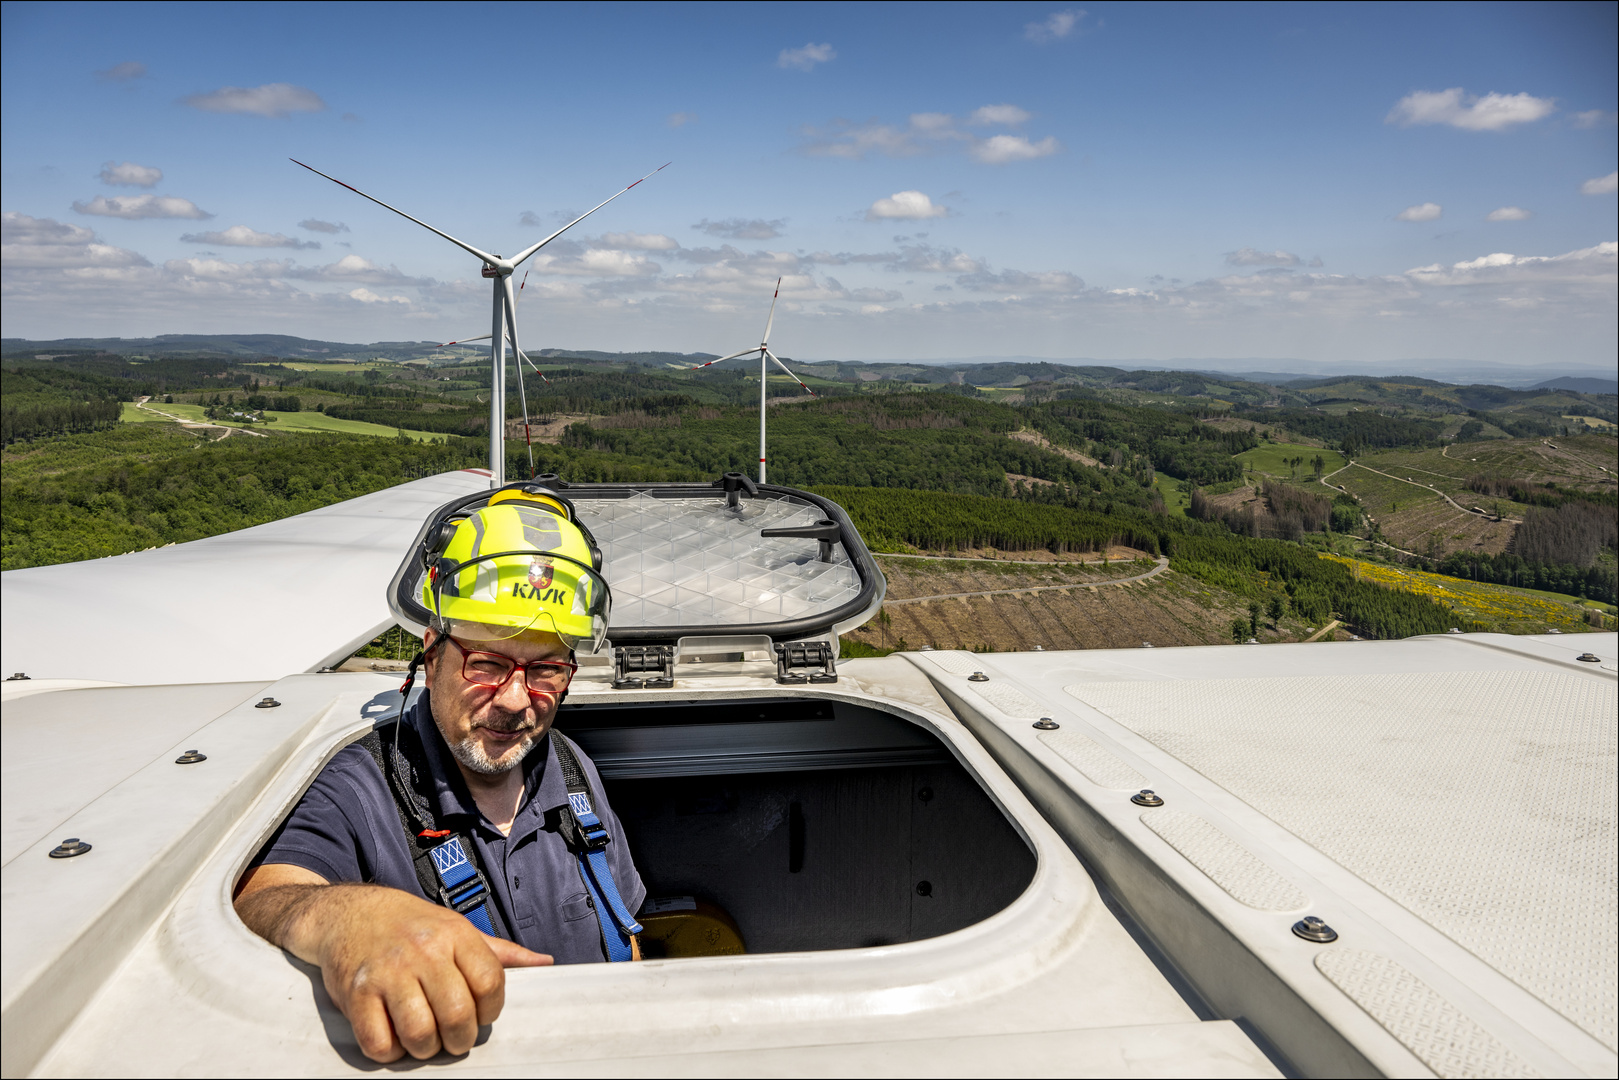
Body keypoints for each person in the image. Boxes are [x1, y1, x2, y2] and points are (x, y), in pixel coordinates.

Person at [235, 487, 643, 1063]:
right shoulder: (360, 786)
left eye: (547, 669)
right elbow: (261, 897)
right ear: (431, 655)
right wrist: (351, 918)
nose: (516, 700)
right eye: (488, 663)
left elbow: (624, 941)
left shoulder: (571, 769)